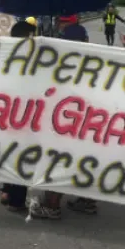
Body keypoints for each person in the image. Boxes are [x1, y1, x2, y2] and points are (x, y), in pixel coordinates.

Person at [30, 14, 96, 219]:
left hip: (66, 116)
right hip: (85, 114)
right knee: (81, 157)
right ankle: (87, 199)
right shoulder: (88, 59)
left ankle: (52, 205)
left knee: (58, 158)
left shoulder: (64, 60)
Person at [0, 20, 37, 211]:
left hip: (7, 113)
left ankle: (6, 189)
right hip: (25, 115)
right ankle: (15, 197)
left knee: (8, 151)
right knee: (21, 155)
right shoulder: (35, 55)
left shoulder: (5, 53)